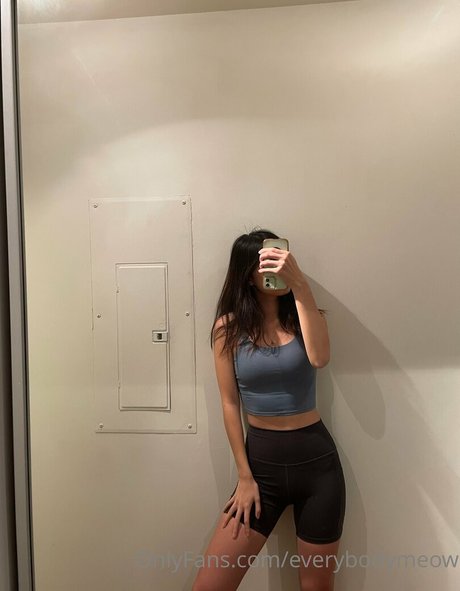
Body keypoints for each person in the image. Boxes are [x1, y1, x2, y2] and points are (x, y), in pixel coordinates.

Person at [192, 229, 346, 591]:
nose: (276, 268)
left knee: (316, 587)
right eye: (267, 263)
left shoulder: (304, 317)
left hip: (318, 466)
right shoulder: (228, 329)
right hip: (261, 469)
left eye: (280, 259)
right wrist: (245, 477)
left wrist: (301, 285)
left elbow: (320, 359)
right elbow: (229, 403)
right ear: (248, 274)